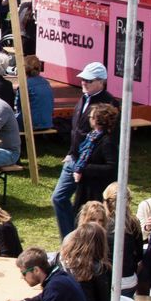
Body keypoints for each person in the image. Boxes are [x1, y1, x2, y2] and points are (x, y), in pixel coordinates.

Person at [54, 102, 119, 239]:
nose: (89, 118)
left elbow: (112, 168)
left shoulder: (107, 141)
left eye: (91, 116)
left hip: (96, 190)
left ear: (98, 120)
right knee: (81, 222)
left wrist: (84, 168)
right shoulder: (92, 137)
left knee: (91, 224)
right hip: (85, 187)